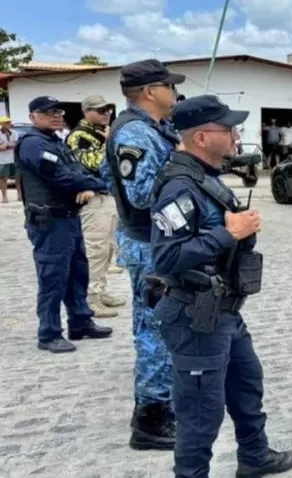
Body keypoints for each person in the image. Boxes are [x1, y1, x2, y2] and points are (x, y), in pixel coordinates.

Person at [150, 94, 292, 477]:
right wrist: (228, 234)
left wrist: (239, 231)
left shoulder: (207, 179)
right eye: (229, 128)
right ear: (202, 137)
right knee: (200, 414)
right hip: (194, 315)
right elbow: (165, 259)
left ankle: (254, 457)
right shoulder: (180, 187)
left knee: (247, 385)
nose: (236, 135)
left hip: (224, 311)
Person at [103, 58, 185, 450]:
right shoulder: (135, 133)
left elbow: (110, 179)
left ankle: (161, 403)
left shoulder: (155, 130)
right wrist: (184, 168)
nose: (175, 93)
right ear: (151, 91)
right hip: (148, 243)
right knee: (154, 327)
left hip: (156, 241)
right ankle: (152, 419)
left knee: (160, 323)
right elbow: (139, 194)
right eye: (170, 86)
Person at [13, 96, 113, 353]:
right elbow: (60, 177)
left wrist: (87, 182)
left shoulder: (55, 141)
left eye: (57, 111)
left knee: (77, 273)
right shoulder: (33, 143)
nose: (56, 116)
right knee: (53, 278)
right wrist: (95, 185)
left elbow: (78, 170)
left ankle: (80, 321)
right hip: (50, 220)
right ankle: (49, 333)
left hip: (69, 217)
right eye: (48, 112)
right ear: (33, 116)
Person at [66, 94, 127, 318]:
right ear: (86, 111)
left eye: (108, 109)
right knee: (95, 249)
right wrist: (111, 144)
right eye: (100, 110)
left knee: (108, 248)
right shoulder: (79, 136)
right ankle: (90, 298)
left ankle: (100, 291)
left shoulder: (100, 133)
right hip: (94, 199)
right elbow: (93, 163)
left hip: (108, 195)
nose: (106, 113)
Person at [1, 116, 20, 203]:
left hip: (14, 158)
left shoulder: (14, 133)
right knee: (3, 178)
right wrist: (8, 145)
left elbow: (16, 144)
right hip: (3, 160)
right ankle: (4, 197)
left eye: (9, 122)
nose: (9, 124)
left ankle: (20, 195)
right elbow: (1, 148)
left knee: (18, 177)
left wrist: (6, 145)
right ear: (2, 124)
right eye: (6, 122)